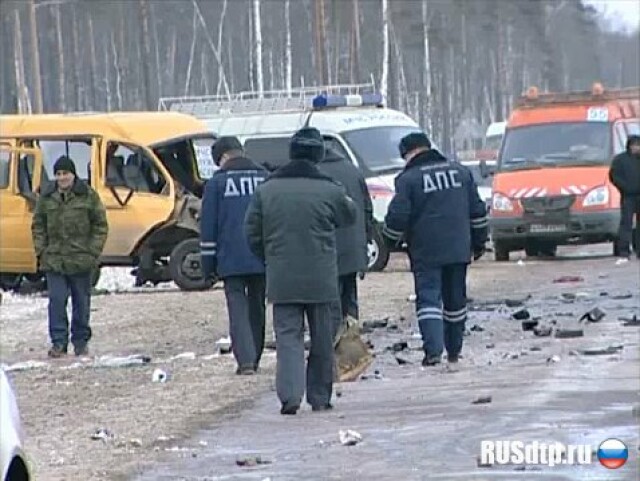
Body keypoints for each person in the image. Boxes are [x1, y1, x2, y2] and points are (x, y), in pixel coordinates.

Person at [244, 127, 356, 415]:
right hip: (321, 277)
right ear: (318, 155)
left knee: (288, 338)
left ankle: (290, 396)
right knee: (321, 338)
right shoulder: (330, 189)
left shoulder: (266, 190)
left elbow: (252, 233)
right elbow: (349, 216)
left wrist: (270, 258)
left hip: (282, 277)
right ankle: (319, 396)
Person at [382, 133, 487, 369]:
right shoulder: (460, 172)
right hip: (459, 247)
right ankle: (454, 352)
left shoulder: (407, 180)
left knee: (429, 299)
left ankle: (433, 352)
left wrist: (388, 243)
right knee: (455, 301)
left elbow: (398, 217)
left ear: (408, 153)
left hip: (425, 249)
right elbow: (478, 212)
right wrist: (479, 242)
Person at [200, 137, 268, 375]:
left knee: (237, 307)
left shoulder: (217, 184)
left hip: (230, 258)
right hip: (262, 256)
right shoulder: (264, 179)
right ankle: (256, 354)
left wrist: (208, 264)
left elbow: (208, 226)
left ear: (223, 157)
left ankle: (246, 360)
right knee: (258, 306)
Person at [32, 155, 108, 358]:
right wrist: (42, 251)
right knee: (56, 301)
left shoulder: (88, 196)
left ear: (73, 175)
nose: (62, 177)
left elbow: (100, 225)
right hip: (54, 260)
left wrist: (92, 251)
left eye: (65, 173)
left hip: (81, 259)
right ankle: (59, 343)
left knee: (81, 303)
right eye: (58, 174)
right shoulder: (46, 198)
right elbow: (38, 225)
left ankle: (81, 342)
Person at [316, 146, 374, 327]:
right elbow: (367, 208)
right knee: (350, 296)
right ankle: (351, 340)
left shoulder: (316, 173)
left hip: (328, 247)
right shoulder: (352, 169)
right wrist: (366, 238)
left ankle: (333, 343)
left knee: (331, 300)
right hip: (354, 246)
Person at [609, 134, 640, 262]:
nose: (636, 148)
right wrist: (624, 188)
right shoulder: (620, 160)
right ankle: (623, 252)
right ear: (629, 146)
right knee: (626, 224)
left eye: (638, 145)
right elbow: (614, 176)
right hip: (628, 197)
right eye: (634, 145)